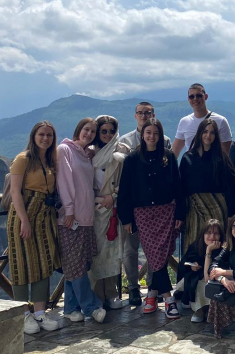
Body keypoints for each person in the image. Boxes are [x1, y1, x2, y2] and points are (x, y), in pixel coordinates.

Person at [118, 119, 186, 319]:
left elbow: (178, 186)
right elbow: (125, 191)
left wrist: (180, 214)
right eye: (148, 133)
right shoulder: (132, 159)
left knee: (161, 255)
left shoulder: (168, 157)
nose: (152, 137)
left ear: (160, 135)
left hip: (166, 212)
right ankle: (168, 299)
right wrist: (126, 218)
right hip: (143, 214)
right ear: (142, 134)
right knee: (155, 255)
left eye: (155, 133)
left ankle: (152, 294)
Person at [6, 121, 64, 334]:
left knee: (44, 262)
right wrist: (24, 220)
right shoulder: (23, 159)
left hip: (45, 216)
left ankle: (40, 313)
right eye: (42, 134)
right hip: (25, 214)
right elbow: (15, 192)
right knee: (21, 264)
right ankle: (22, 314)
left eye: (49, 135)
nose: (45, 138)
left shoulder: (50, 159)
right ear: (34, 136)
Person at [56, 118, 107, 324]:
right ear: (78, 129)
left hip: (86, 218)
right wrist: (68, 210)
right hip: (70, 218)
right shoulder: (64, 150)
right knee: (75, 265)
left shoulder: (86, 155)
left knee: (75, 265)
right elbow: (64, 181)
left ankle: (70, 308)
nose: (89, 133)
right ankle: (91, 306)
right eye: (87, 129)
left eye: (93, 131)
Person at [119, 102, 170, 306]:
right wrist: (126, 216)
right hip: (136, 208)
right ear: (135, 115)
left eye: (147, 112)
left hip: (158, 209)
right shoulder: (125, 142)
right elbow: (124, 185)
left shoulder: (165, 143)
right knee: (130, 250)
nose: (143, 115)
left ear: (153, 115)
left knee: (154, 250)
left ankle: (153, 286)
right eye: (140, 113)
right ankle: (132, 287)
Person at [179, 119, 235, 254]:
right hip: (194, 210)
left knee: (216, 244)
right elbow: (181, 188)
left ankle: (215, 274)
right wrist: (180, 214)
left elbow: (230, 187)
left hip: (218, 209)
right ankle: (194, 275)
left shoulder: (221, 158)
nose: (208, 135)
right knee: (194, 244)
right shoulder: (187, 158)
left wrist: (231, 213)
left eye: (212, 133)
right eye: (205, 131)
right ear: (200, 133)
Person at [87, 115, 128, 311]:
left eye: (111, 131)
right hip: (92, 210)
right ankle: (96, 297)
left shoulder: (122, 151)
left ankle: (110, 295)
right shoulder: (87, 152)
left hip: (112, 209)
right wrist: (96, 200)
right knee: (95, 253)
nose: (108, 134)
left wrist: (113, 196)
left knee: (112, 252)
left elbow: (129, 181)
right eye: (103, 131)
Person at [174, 219, 224, 323]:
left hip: (212, 278)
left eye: (216, 233)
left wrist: (209, 251)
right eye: (208, 233)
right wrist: (191, 266)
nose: (212, 236)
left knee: (204, 281)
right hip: (193, 276)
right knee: (196, 279)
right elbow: (183, 264)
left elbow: (209, 274)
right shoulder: (195, 246)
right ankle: (199, 309)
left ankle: (208, 308)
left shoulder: (223, 249)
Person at [172, 83, 232, 158]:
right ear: (188, 99)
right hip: (191, 167)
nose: (195, 99)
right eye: (191, 97)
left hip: (213, 167)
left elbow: (227, 153)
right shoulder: (184, 122)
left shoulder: (221, 121)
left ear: (206, 97)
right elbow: (174, 153)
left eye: (199, 96)